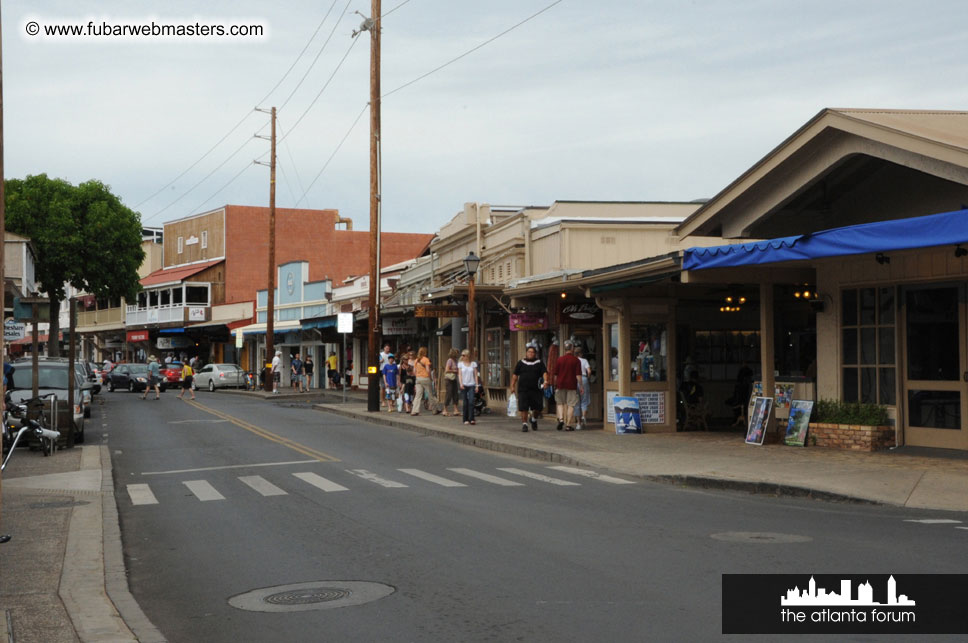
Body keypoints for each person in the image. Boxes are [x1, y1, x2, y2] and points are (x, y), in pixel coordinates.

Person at [511, 345, 549, 432]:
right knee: (524, 407)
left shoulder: (539, 363)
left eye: (532, 352)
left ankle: (533, 419)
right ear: (526, 353)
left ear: (535, 354)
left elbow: (544, 373)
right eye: (529, 352)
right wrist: (512, 386)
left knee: (538, 408)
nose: (530, 354)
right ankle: (524, 424)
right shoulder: (521, 363)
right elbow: (515, 375)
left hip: (536, 390)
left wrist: (545, 381)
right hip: (523, 389)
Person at [553, 340, 583, 431]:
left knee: (560, 403)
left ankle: (561, 419)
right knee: (571, 404)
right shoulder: (576, 360)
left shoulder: (559, 359)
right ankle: (568, 425)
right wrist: (581, 386)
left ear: (565, 349)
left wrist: (555, 384)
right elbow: (578, 375)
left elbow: (555, 374)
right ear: (572, 348)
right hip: (572, 385)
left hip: (560, 384)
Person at [411, 346, 438, 416]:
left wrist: (417, 376)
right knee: (430, 394)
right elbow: (428, 370)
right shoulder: (426, 360)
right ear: (425, 352)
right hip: (425, 378)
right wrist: (430, 378)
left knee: (418, 395)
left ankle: (414, 411)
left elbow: (414, 371)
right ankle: (434, 410)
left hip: (418, 379)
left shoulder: (416, 360)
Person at [457, 349, 480, 425]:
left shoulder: (473, 364)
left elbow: (476, 375)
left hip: (471, 385)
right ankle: (465, 419)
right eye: (462, 355)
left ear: (467, 356)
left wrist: (477, 386)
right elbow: (459, 375)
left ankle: (472, 418)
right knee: (465, 403)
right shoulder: (460, 364)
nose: (462, 356)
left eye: (464, 355)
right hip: (464, 385)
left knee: (471, 402)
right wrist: (461, 384)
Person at [573, 346, 592, 429]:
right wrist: (588, 378)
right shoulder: (584, 361)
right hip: (583, 378)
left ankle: (578, 423)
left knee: (576, 402)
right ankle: (584, 416)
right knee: (584, 400)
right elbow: (589, 371)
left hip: (575, 379)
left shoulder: (573, 360)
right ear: (581, 354)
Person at [442, 348, 460, 416]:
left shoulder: (456, 361)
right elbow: (447, 370)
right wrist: (454, 371)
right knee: (449, 393)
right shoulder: (450, 360)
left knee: (455, 394)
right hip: (449, 379)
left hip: (454, 378)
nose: (458, 354)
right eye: (457, 353)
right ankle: (445, 409)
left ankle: (455, 409)